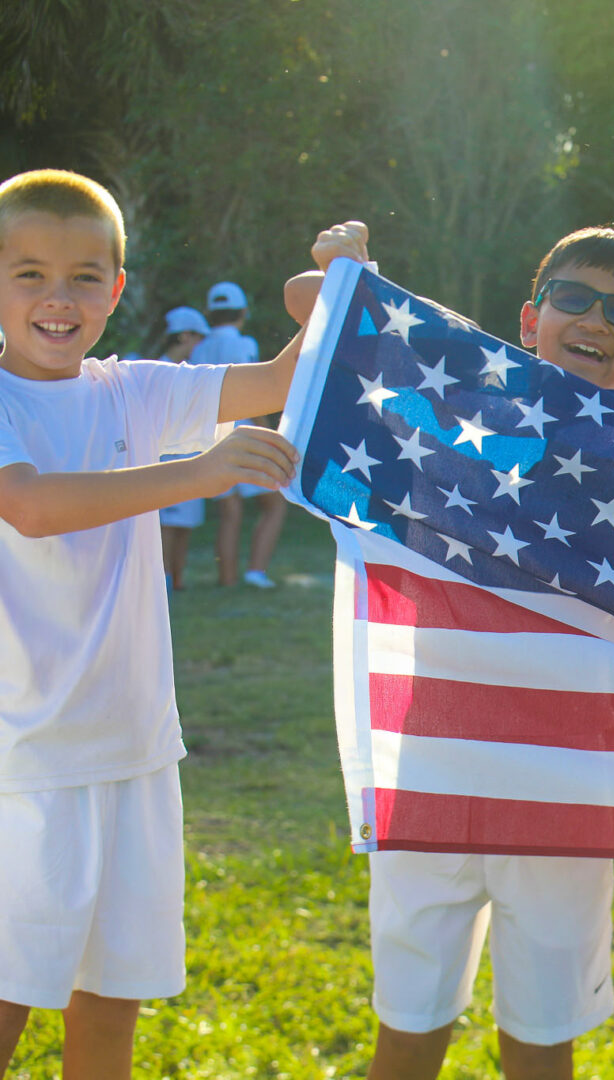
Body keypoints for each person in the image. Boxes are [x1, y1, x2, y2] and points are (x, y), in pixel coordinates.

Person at [285, 224, 614, 1080]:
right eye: (574, 299)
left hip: (567, 788)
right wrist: (350, 274)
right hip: (435, 769)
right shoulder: (459, 411)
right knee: (408, 1033)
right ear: (530, 319)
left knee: (541, 1042)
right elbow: (316, 313)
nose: (595, 321)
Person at [0, 168, 311, 1079]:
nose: (59, 299)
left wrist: (334, 288)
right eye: (29, 274)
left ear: (117, 289)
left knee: (110, 1005)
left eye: (84, 276)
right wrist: (198, 474)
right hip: (27, 767)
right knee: (8, 999)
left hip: (136, 753)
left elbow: (281, 379)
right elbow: (31, 505)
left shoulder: (132, 389)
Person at [194, 280, 286, 587]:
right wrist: (270, 432)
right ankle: (255, 571)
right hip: (244, 432)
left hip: (208, 435)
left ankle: (227, 578)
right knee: (274, 503)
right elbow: (254, 392)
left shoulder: (199, 347)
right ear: (243, 312)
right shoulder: (244, 344)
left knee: (229, 511)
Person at [149, 305, 212, 589]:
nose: (199, 345)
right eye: (197, 337)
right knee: (166, 527)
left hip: (190, 457)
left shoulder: (189, 371)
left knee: (185, 525)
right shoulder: (156, 371)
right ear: (184, 336)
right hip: (165, 461)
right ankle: (162, 582)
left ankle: (177, 581)